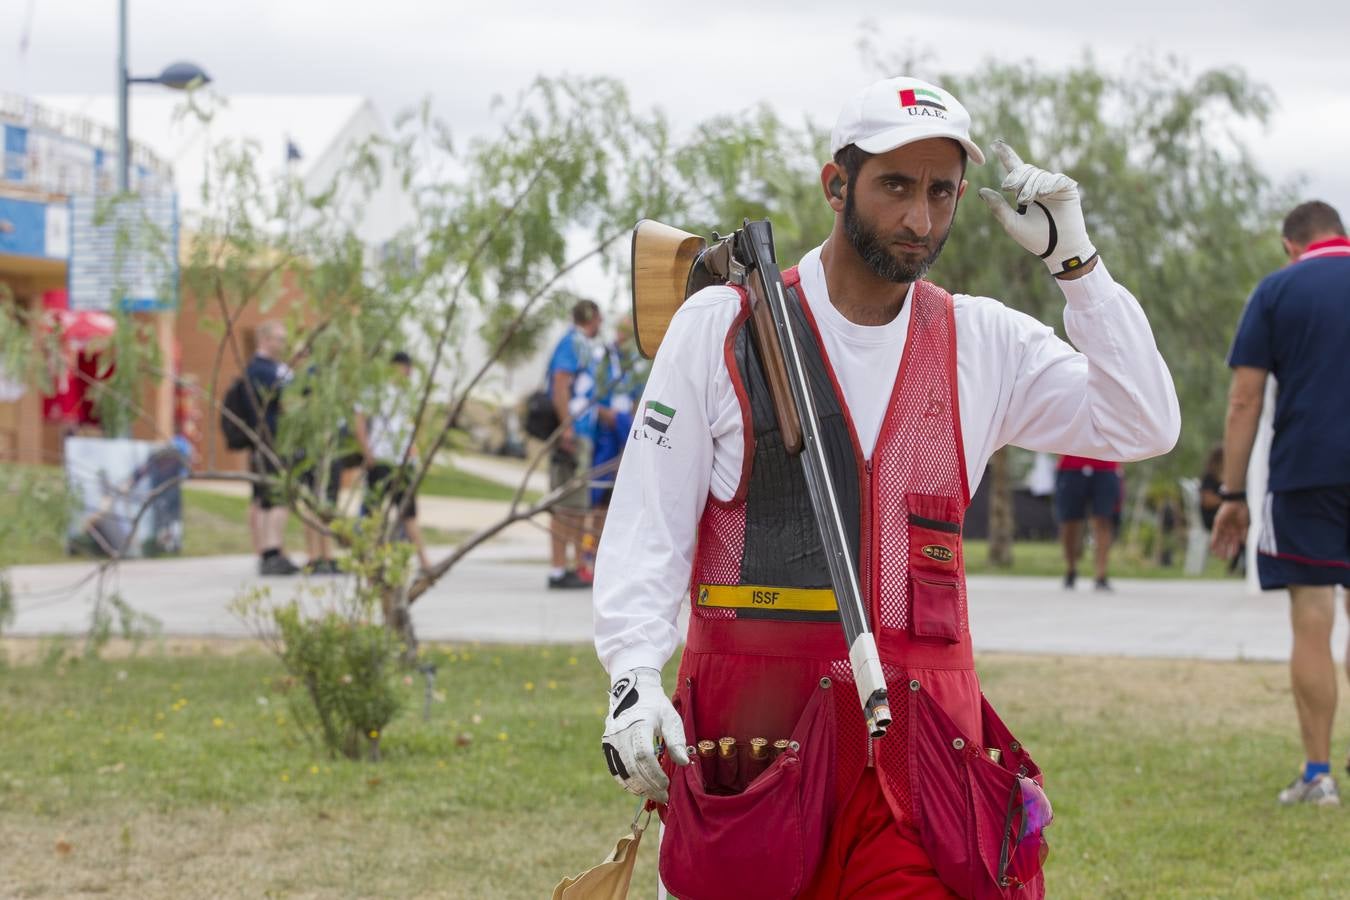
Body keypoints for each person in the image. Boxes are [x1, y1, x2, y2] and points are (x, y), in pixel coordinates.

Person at [593, 76, 1179, 897]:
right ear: (837, 185)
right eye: (896, 187)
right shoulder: (720, 324)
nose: (920, 219)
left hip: (915, 781)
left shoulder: (983, 341)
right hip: (753, 764)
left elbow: (1144, 422)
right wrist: (631, 679)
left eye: (941, 192)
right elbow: (647, 529)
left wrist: (1076, 265)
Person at [1212, 200, 1350, 807]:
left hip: (1308, 474)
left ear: (1290, 244)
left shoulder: (1277, 291)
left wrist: (1233, 494)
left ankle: (1319, 773)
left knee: (1314, 620)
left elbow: (1245, 400)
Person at [354, 351, 432, 573]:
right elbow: (359, 422)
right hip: (382, 460)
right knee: (374, 514)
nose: (408, 373)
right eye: (405, 368)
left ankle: (423, 561)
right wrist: (367, 452)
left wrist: (415, 454)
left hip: (403, 463)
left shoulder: (408, 396)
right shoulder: (375, 393)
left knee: (408, 514)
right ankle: (369, 561)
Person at [545, 299, 602, 589]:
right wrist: (566, 427)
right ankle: (558, 569)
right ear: (592, 318)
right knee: (564, 505)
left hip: (583, 434)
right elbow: (559, 383)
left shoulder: (581, 344)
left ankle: (572, 565)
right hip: (572, 435)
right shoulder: (571, 343)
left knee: (577, 506)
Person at [246, 321, 299, 576]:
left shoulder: (275, 369)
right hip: (271, 440)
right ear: (265, 339)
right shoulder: (260, 370)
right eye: (279, 338)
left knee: (269, 498)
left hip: (275, 440)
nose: (283, 344)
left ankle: (271, 551)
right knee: (275, 496)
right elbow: (291, 397)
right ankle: (271, 551)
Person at [1054, 455, 1122, 590]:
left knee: (1103, 520)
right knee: (1070, 521)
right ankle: (1071, 569)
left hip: (1106, 466)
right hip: (1072, 465)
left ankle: (1101, 575)